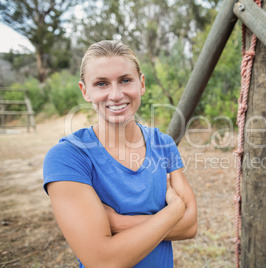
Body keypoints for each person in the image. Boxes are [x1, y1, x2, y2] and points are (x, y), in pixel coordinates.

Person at [43, 40, 197, 267]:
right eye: (101, 83)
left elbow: (190, 226)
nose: (115, 94)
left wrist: (117, 222)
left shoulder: (162, 144)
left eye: (125, 80)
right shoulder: (68, 157)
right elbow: (103, 260)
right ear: (85, 91)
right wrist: (175, 210)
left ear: (141, 83)